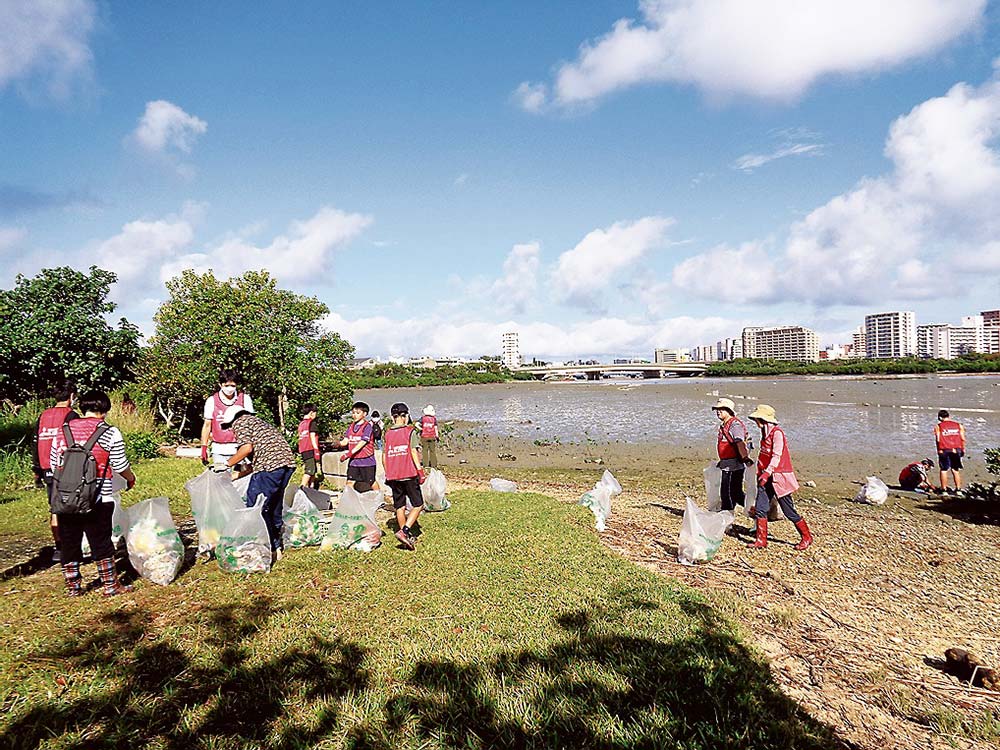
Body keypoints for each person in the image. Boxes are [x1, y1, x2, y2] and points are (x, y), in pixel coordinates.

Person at [49, 390, 136, 596]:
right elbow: (120, 464)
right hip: (99, 496)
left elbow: (54, 464)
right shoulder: (110, 432)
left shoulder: (63, 430)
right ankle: (110, 585)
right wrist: (130, 478)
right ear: (105, 410)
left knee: (69, 541)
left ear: (82, 408)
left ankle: (73, 587)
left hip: (66, 497)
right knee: (101, 541)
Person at [221, 405, 295, 563]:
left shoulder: (241, 421)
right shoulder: (259, 424)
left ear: (233, 419)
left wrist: (226, 464)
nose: (232, 430)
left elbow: (247, 449)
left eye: (230, 426)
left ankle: (260, 547)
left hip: (270, 467)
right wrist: (235, 475)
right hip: (286, 464)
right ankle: (276, 547)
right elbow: (255, 463)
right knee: (273, 506)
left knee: (256, 508)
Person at [747, 404, 813, 551]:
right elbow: (763, 455)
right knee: (760, 508)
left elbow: (776, 456)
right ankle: (761, 540)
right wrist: (761, 472)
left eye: (757, 420)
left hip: (778, 477)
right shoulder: (764, 433)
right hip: (765, 476)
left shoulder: (777, 434)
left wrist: (767, 472)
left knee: (789, 511)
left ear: (762, 419)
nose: (756, 422)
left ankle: (806, 537)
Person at [34, 383, 78, 562]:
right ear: (72, 396)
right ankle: (72, 546)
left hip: (46, 466)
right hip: (65, 466)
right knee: (73, 506)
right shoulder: (71, 415)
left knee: (55, 507)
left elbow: (34, 442)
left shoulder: (43, 415)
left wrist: (37, 468)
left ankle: (59, 547)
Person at [383, 402, 426, 550]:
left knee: (399, 506)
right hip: (409, 474)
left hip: (393, 476)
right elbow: (414, 452)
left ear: (392, 417)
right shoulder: (410, 431)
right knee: (418, 504)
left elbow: (384, 455)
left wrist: (387, 472)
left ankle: (405, 537)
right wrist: (420, 471)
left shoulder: (387, 433)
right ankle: (405, 530)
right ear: (406, 416)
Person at [201, 370, 254, 476]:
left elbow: (251, 423)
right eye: (227, 385)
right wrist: (204, 447)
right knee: (221, 479)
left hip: (240, 447)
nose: (230, 389)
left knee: (242, 478)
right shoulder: (212, 401)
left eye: (233, 385)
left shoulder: (245, 399)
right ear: (220, 385)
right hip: (219, 448)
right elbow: (207, 425)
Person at [711, 397, 752, 512]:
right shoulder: (725, 425)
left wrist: (745, 458)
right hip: (727, 464)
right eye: (717, 410)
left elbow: (739, 442)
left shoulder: (734, 425)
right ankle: (754, 511)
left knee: (728, 494)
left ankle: (755, 512)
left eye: (722, 409)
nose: (718, 412)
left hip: (733, 466)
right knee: (734, 493)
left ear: (729, 411)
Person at [338, 401, 379, 491]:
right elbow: (346, 440)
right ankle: (349, 500)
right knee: (350, 482)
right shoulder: (351, 427)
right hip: (354, 461)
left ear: (364, 414)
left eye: (357, 413)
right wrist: (338, 444)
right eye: (353, 413)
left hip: (367, 461)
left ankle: (379, 499)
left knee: (371, 481)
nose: (354, 415)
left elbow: (363, 442)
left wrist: (348, 454)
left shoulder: (367, 427)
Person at [934, 410, 966, 493]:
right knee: (955, 469)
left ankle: (944, 489)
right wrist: (962, 449)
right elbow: (962, 438)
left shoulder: (938, 426)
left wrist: (938, 450)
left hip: (944, 449)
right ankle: (958, 489)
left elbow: (938, 439)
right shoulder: (959, 425)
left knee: (944, 469)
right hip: (957, 449)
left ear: (940, 417)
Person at [297, 404, 322, 489]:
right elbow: (312, 436)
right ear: (311, 413)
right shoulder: (312, 423)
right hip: (310, 448)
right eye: (315, 413)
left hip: (303, 449)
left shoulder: (301, 424)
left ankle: (311, 487)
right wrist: (316, 449)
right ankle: (302, 487)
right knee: (310, 470)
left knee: (313, 469)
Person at [417, 404, 439, 469]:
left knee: (425, 451)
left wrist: (421, 429)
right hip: (432, 436)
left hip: (424, 436)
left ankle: (425, 465)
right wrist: (437, 436)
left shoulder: (423, 418)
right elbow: (435, 428)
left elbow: (416, 424)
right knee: (432, 451)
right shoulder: (434, 419)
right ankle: (434, 465)